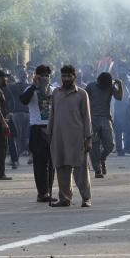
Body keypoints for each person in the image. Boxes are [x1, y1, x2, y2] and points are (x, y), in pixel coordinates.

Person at [48, 65, 93, 207]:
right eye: (64, 76)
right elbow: (52, 114)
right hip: (59, 137)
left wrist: (89, 138)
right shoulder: (56, 93)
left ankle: (86, 198)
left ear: (74, 77)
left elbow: (87, 117)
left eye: (69, 76)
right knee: (61, 168)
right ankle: (65, 198)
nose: (66, 79)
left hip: (77, 138)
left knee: (81, 170)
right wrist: (49, 133)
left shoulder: (81, 94)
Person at [21, 65, 55, 202]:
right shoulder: (30, 90)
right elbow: (23, 100)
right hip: (37, 129)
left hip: (52, 128)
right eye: (42, 76)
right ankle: (42, 193)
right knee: (39, 163)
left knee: (52, 163)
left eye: (47, 76)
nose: (45, 79)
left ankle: (49, 191)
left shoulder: (54, 91)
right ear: (36, 77)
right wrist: (34, 86)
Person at [86, 71, 123, 178]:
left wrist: (120, 85)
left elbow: (119, 97)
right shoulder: (91, 86)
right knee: (94, 145)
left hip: (106, 118)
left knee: (110, 144)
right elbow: (83, 99)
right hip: (92, 118)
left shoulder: (110, 86)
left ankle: (102, 158)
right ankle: (97, 169)